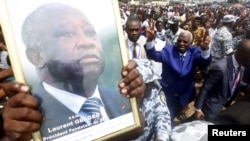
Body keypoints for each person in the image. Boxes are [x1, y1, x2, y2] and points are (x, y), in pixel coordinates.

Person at [20, 3, 145, 140]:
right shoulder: (29, 119)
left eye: (90, 32)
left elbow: (137, 129)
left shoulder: (118, 96)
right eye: (68, 34)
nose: (87, 42)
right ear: (37, 57)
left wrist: (134, 104)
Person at [144, 28, 212, 127]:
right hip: (169, 94)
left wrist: (205, 49)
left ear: (191, 43)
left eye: (185, 42)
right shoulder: (169, 50)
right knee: (167, 121)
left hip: (186, 94)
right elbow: (154, 55)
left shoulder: (194, 51)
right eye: (179, 41)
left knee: (186, 122)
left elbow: (204, 62)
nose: (181, 43)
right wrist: (150, 40)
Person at [194, 39, 250, 121]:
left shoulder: (241, 66)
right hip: (210, 109)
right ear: (240, 54)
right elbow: (205, 88)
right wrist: (198, 109)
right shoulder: (220, 67)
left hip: (223, 107)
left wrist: (246, 87)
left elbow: (232, 81)